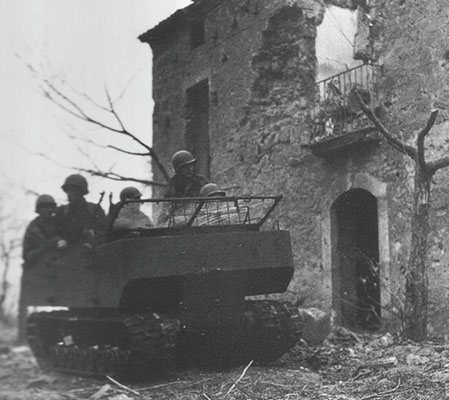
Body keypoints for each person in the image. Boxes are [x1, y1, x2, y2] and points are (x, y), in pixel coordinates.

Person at [19, 194, 64, 344]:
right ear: (39, 210)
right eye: (45, 207)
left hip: (61, 269)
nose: (49, 210)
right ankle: (22, 338)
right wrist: (46, 247)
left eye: (51, 207)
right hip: (40, 273)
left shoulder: (59, 223)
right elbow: (27, 255)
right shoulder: (32, 229)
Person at [55, 174, 107, 245]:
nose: (70, 194)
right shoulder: (62, 211)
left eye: (73, 191)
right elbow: (54, 233)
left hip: (92, 249)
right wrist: (59, 240)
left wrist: (93, 233)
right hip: (68, 251)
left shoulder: (95, 209)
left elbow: (105, 231)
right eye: (68, 191)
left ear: (82, 192)